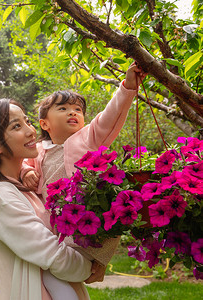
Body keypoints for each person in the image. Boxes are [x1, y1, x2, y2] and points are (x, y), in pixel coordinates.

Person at [21, 62, 146, 297]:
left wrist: (128, 86)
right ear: (45, 123)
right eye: (63, 108)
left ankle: (95, 264)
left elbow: (111, 115)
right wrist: (27, 172)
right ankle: (92, 269)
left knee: (52, 272)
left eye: (78, 110)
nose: (73, 113)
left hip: (88, 225)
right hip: (59, 229)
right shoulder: (38, 150)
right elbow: (22, 164)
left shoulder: (88, 137)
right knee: (56, 275)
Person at [0, 98, 105, 300]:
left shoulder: (25, 187)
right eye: (16, 126)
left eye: (27, 121)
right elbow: (53, 255)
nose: (31, 131)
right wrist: (90, 267)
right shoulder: (0, 197)